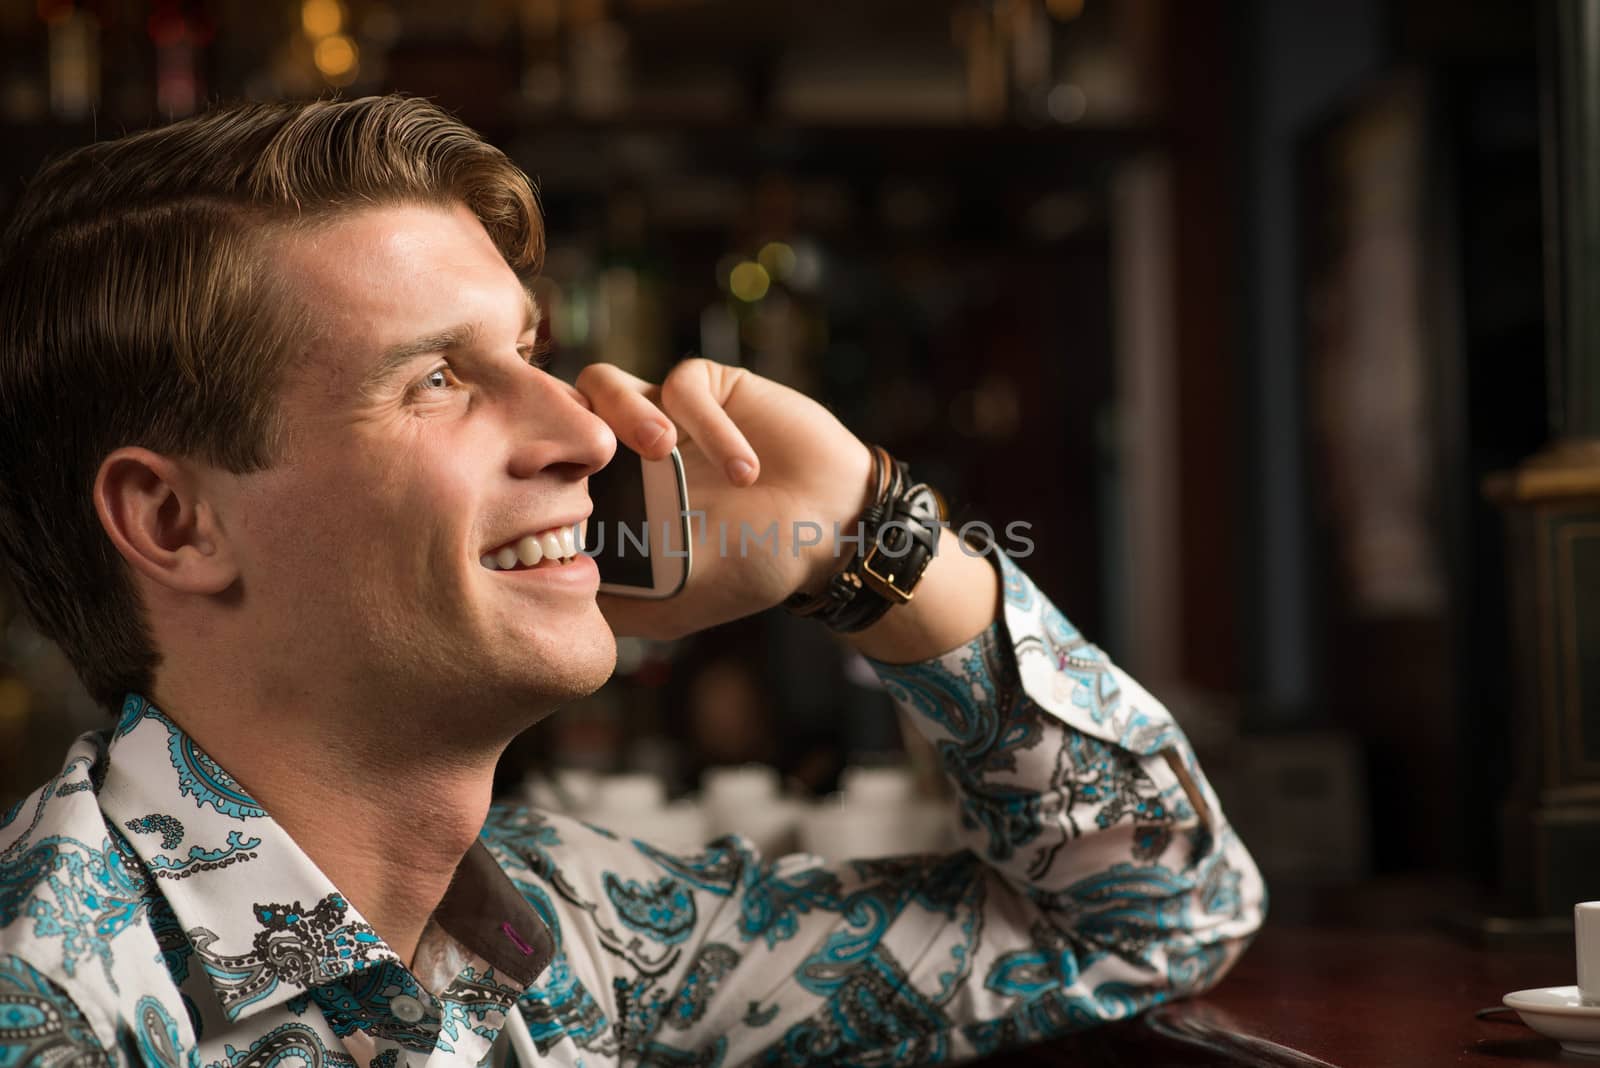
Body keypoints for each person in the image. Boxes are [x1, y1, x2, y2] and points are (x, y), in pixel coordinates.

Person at [0, 95, 1266, 1067]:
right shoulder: (50, 1001)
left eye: (529, 351)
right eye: (437, 377)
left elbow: (1149, 915)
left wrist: (862, 535)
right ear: (173, 520)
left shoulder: (571, 926)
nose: (589, 433)